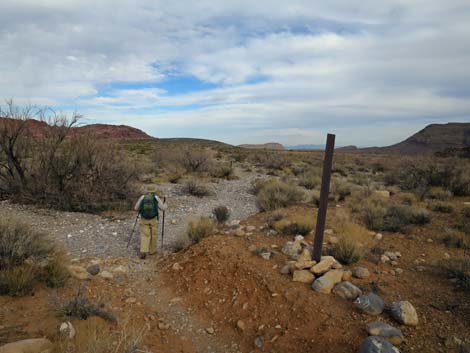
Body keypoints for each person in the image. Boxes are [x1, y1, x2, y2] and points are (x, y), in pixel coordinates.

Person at [134, 186, 167, 259]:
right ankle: (152, 251)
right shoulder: (156, 198)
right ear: (154, 190)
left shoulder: (142, 197)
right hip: (154, 220)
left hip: (144, 219)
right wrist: (165, 204)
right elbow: (163, 208)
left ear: (147, 190)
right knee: (154, 235)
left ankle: (143, 251)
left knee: (145, 235)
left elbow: (136, 208)